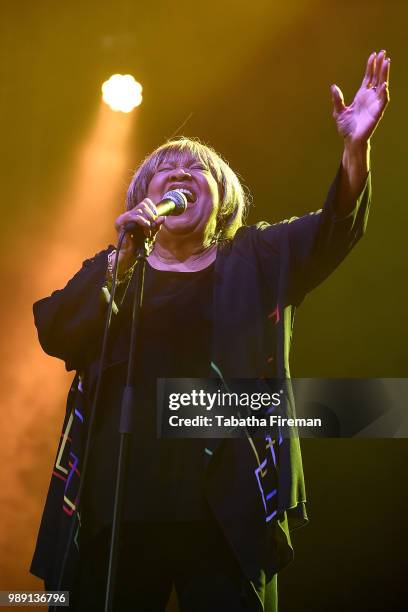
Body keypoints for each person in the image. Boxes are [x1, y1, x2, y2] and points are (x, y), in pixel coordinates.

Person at [30, 51, 390, 611]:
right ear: (143, 201)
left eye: (195, 170)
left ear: (222, 196)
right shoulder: (117, 265)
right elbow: (55, 330)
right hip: (119, 501)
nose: (178, 174)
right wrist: (121, 261)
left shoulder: (258, 256)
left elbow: (334, 232)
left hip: (227, 505)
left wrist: (354, 149)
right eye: (162, 172)